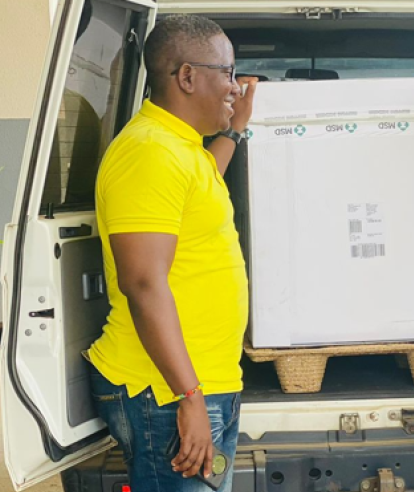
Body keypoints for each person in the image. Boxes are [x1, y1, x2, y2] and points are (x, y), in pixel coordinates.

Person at [85, 14, 258, 492]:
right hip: (163, 392)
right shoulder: (149, 153)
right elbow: (143, 284)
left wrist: (234, 131)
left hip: (202, 382)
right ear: (186, 76)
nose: (235, 86)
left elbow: (199, 190)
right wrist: (190, 395)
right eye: (227, 72)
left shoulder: (180, 147)